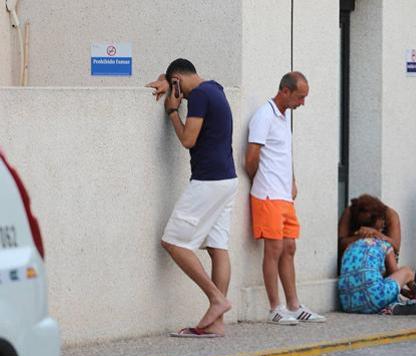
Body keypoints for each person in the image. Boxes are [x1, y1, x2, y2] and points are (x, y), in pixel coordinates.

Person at [146, 58, 238, 337]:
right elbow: (177, 75)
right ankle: (216, 325)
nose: (181, 96)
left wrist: (173, 112)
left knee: (172, 241)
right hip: (227, 179)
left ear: (178, 81)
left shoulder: (197, 96)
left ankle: (216, 299)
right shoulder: (215, 89)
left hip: (207, 181)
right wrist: (166, 79)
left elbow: (188, 139)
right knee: (217, 248)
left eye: (178, 89)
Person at [245, 71, 326, 325]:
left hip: (284, 195)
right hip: (268, 194)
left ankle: (294, 305)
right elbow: (251, 156)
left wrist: (291, 180)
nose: (302, 103)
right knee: (274, 248)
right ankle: (275, 308)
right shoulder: (264, 115)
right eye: (300, 97)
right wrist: (259, 179)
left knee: (290, 247)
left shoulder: (283, 118)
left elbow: (283, 154)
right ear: (285, 91)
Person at [337, 195, 416, 314]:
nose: (384, 223)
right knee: (407, 272)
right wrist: (404, 287)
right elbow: (394, 271)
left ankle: (391, 303)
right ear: (378, 221)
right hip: (375, 298)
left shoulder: (350, 247)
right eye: (382, 221)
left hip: (348, 304)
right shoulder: (384, 245)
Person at [338, 194, 401, 264]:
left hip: (382, 262)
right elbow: (341, 243)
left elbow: (396, 246)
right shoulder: (350, 212)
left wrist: (376, 234)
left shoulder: (390, 215)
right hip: (354, 260)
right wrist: (361, 236)